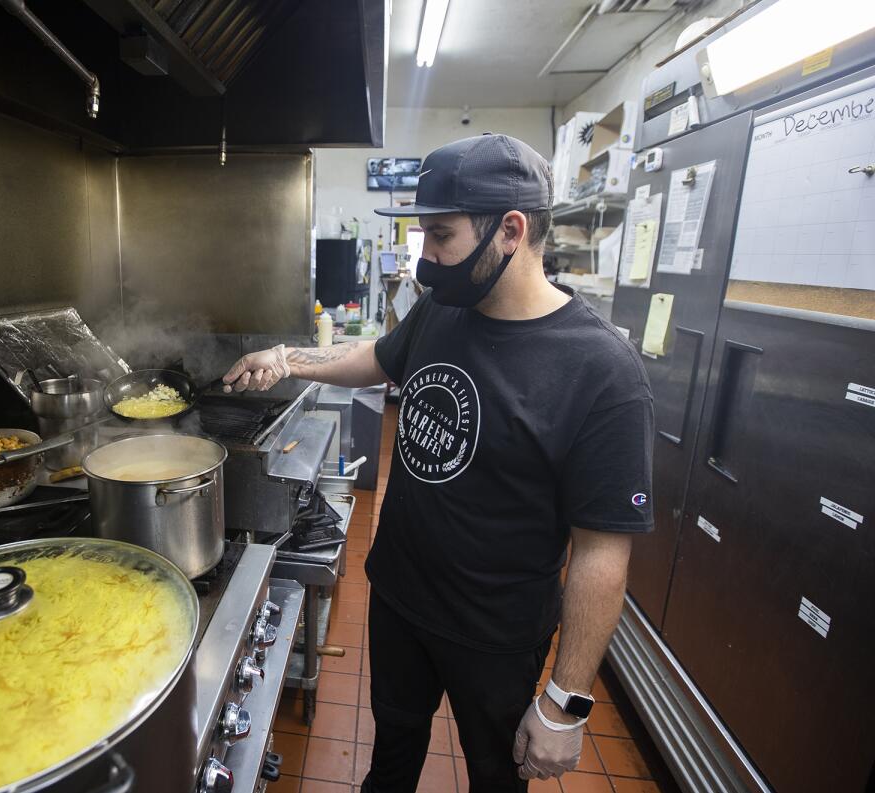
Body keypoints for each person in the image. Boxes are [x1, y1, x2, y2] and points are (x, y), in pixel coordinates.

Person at [223, 134, 654, 792]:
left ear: (510, 230)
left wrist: (566, 701)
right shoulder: (444, 308)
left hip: (494, 634)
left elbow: (602, 554)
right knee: (391, 755)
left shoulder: (601, 371)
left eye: (441, 236)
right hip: (400, 598)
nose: (426, 257)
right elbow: (378, 358)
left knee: (494, 776)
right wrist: (290, 358)